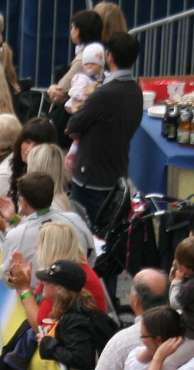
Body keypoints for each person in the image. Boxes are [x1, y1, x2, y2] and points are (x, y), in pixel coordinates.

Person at [63, 32, 138, 228]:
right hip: (117, 174)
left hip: (92, 179)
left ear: (109, 57)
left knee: (85, 235)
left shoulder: (103, 93)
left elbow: (73, 125)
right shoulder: (136, 91)